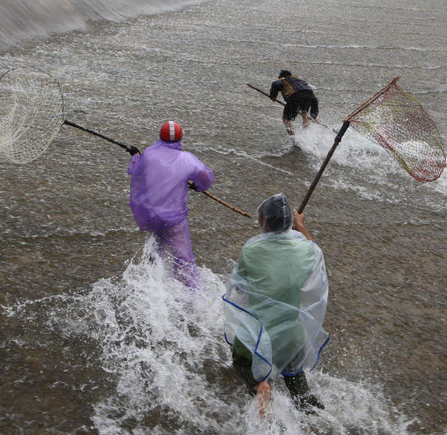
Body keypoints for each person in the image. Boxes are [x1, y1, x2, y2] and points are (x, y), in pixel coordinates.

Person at [223, 194, 329, 416]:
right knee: (295, 377)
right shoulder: (307, 251)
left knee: (242, 361)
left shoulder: (251, 250)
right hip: (292, 337)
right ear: (290, 222)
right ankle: (312, 413)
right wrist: (300, 226)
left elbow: (239, 288)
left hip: (258, 336)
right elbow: (317, 252)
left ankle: (259, 386)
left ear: (266, 223)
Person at [127, 120, 215, 288]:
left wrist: (136, 155)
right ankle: (191, 296)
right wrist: (197, 185)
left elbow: (135, 169)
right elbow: (206, 178)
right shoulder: (187, 159)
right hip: (174, 220)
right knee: (183, 259)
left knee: (156, 252)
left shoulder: (149, 154)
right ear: (180, 138)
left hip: (152, 216)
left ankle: (150, 286)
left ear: (160, 136)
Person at [269, 70, 319, 135]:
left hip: (295, 96)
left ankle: (293, 137)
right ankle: (305, 135)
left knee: (286, 119)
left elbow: (276, 84)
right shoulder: (301, 82)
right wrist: (314, 116)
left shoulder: (284, 80)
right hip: (309, 95)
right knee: (304, 114)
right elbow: (314, 100)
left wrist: (273, 96)